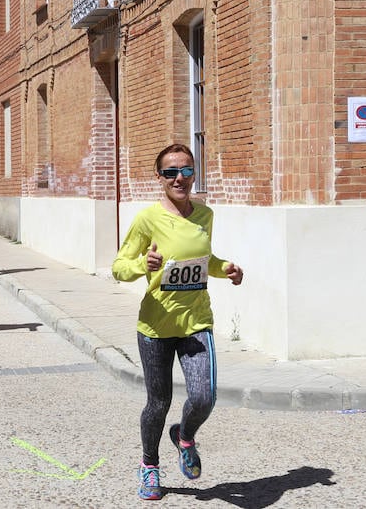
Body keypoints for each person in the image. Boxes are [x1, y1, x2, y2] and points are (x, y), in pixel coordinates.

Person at [111, 143, 244, 501]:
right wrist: (144, 265)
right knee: (158, 402)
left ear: (194, 173)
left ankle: (184, 437)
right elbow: (119, 268)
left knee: (204, 396)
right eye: (170, 172)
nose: (179, 178)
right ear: (160, 177)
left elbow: (204, 259)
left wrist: (225, 269)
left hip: (196, 321)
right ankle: (150, 465)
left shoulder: (205, 215)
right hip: (155, 327)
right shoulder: (147, 219)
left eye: (186, 170)